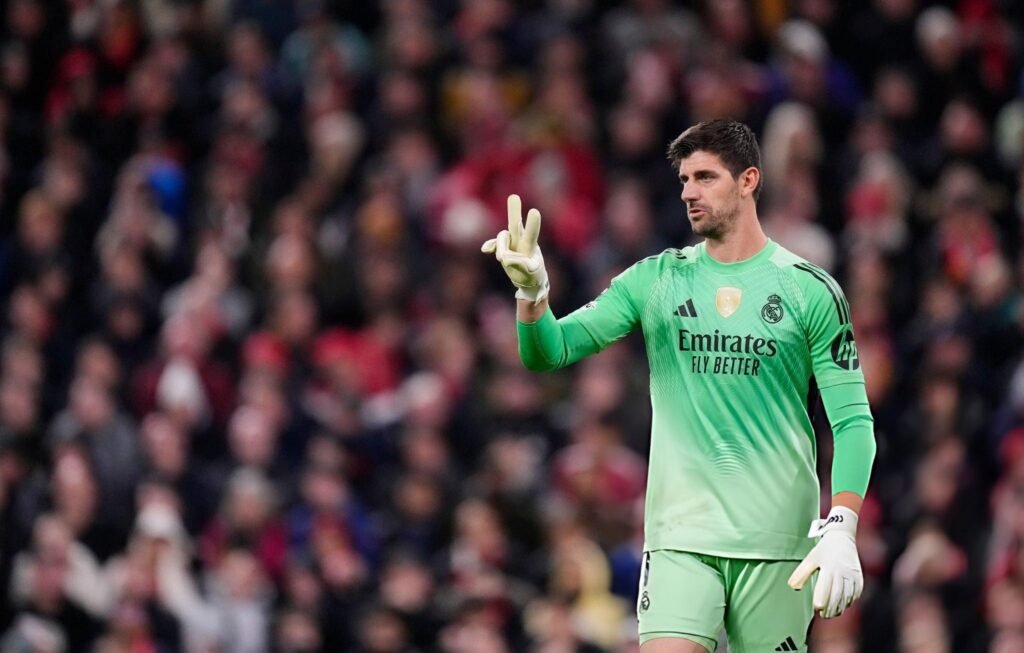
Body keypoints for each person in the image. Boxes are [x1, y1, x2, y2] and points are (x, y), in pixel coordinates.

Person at [482, 119, 876, 653]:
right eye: (685, 179)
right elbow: (549, 352)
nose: (689, 191)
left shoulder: (810, 290)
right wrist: (533, 294)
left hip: (777, 542)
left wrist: (842, 524)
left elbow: (852, 422)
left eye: (706, 177)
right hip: (680, 538)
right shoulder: (656, 280)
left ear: (749, 180)